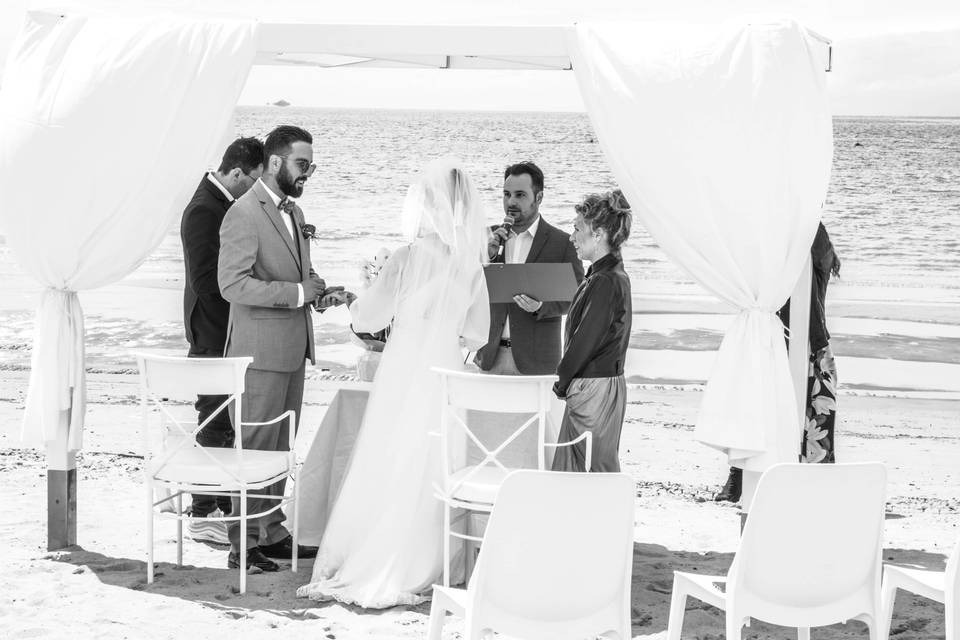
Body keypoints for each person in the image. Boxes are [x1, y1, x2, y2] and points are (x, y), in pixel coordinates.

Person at [297, 158, 490, 608]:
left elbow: (369, 317)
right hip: (445, 371)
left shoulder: (406, 257)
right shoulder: (471, 266)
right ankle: (434, 558)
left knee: (389, 451)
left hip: (404, 366)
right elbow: (476, 333)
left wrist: (363, 291)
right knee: (433, 458)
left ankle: (378, 554)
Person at [218, 125, 339, 572]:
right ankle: (241, 544)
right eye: (302, 164)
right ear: (274, 162)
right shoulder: (244, 213)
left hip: (292, 350)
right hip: (258, 353)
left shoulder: (294, 210)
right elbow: (231, 284)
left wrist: (317, 294)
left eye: (311, 165)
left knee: (280, 449)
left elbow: (294, 276)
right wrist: (295, 293)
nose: (308, 172)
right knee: (253, 448)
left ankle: (269, 532)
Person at [714, 221, 842, 501]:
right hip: (778, 342)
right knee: (755, 409)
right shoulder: (781, 249)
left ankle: (807, 485)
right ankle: (739, 477)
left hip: (811, 346)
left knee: (814, 422)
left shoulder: (813, 244)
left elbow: (811, 236)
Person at [180, 136, 263, 543]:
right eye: (252, 180)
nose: (254, 189)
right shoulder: (202, 209)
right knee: (213, 419)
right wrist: (248, 293)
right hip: (211, 330)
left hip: (224, 328)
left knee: (225, 421)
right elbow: (204, 280)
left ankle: (222, 505)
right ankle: (201, 512)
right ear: (235, 173)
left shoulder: (222, 203)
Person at [474, 161, 584, 375]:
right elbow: (464, 288)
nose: (511, 202)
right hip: (489, 357)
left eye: (520, 195)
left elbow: (578, 299)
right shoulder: (487, 237)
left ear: (539, 198)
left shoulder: (562, 243)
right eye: (506, 194)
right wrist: (484, 256)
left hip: (537, 362)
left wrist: (541, 307)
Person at [551, 190, 633, 473]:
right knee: (583, 471)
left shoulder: (606, 280)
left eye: (577, 228)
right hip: (597, 385)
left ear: (597, 234)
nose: (571, 236)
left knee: (590, 472)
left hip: (594, 390)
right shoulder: (607, 276)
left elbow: (584, 341)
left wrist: (562, 380)